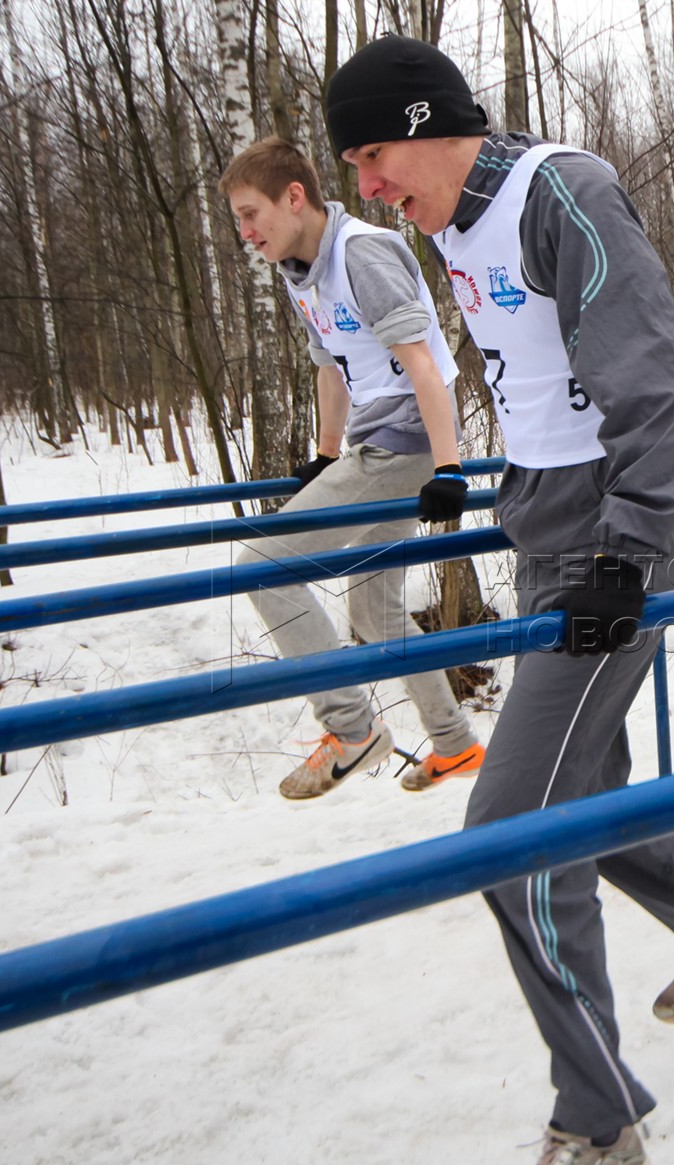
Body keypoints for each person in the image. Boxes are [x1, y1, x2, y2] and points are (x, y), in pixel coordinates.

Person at [325, 35, 674, 1165]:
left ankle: (599, 1119)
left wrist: (626, 552)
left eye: (375, 156)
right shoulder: (449, 226)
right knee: (571, 799)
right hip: (545, 529)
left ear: (429, 124)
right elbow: (531, 379)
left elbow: (657, 378)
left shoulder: (555, 191)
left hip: (604, 545)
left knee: (510, 832)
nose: (371, 188)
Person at [219, 136, 486, 798]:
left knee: (261, 566)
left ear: (295, 196)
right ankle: (454, 744)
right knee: (373, 608)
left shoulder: (360, 253)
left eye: (253, 214)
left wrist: (448, 467)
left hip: (406, 443)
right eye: (238, 221)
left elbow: (423, 361)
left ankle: (351, 728)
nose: (247, 233)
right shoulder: (300, 269)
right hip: (378, 440)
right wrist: (325, 453)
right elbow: (331, 365)